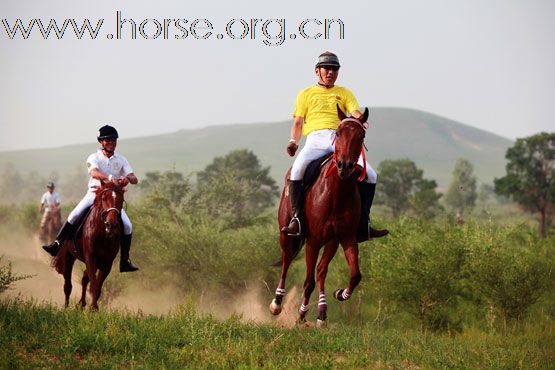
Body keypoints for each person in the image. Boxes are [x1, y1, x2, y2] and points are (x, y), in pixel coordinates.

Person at [281, 51, 389, 242]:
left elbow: (354, 111)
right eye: (327, 68)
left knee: (371, 175)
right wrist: (293, 142)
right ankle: (297, 219)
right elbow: (298, 122)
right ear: (317, 71)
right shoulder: (305, 93)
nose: (331, 72)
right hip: (315, 139)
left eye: (335, 69)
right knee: (297, 170)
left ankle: (364, 223)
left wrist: (359, 120)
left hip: (340, 139)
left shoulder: (344, 92)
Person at [42, 125, 140, 272]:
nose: (111, 142)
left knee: (128, 226)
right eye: (107, 140)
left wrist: (127, 178)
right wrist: (109, 177)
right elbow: (94, 173)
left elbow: (134, 178)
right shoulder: (94, 157)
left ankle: (124, 260)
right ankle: (56, 244)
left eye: (113, 139)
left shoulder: (121, 159)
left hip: (112, 198)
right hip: (94, 194)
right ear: (101, 142)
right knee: (74, 215)